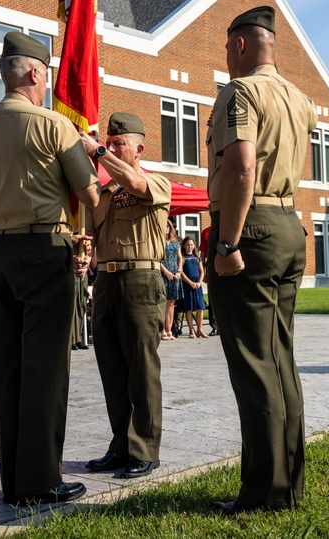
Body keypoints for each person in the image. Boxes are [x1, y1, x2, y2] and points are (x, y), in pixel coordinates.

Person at [0, 31, 99, 506]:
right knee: (45, 369)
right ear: (37, 73)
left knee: (7, 371)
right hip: (44, 250)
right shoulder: (53, 126)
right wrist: (90, 152)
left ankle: (13, 483)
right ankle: (42, 481)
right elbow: (89, 194)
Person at [207, 5, 318, 514]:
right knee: (280, 361)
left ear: (242, 46)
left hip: (249, 229)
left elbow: (242, 167)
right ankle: (289, 486)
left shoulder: (241, 91)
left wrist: (227, 244)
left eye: (228, 46)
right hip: (288, 222)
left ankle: (263, 494)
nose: (227, 56)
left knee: (255, 366)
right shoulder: (301, 99)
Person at [76, 112, 171, 479]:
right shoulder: (106, 194)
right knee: (112, 368)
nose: (113, 147)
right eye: (109, 142)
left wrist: (98, 150)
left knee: (141, 368)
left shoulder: (153, 182)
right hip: (106, 283)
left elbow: (131, 180)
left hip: (140, 281)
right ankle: (121, 444)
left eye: (119, 144)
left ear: (139, 149)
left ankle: (145, 449)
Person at [178, 237, 207, 339]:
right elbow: (181, 272)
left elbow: (202, 271)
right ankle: (191, 329)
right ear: (184, 246)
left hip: (197, 285)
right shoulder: (182, 257)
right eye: (187, 245)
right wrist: (190, 283)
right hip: (187, 284)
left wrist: (199, 282)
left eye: (191, 245)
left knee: (200, 307)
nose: (189, 247)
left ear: (194, 245)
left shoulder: (197, 256)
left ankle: (200, 329)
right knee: (188, 308)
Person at [160, 220, 181, 341]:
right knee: (164, 302)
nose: (166, 228)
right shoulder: (159, 243)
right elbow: (158, 260)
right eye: (165, 226)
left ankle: (169, 330)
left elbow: (179, 258)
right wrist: (166, 272)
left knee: (172, 303)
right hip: (164, 273)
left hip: (175, 274)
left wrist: (179, 271)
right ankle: (163, 329)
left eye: (168, 226)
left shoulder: (175, 243)